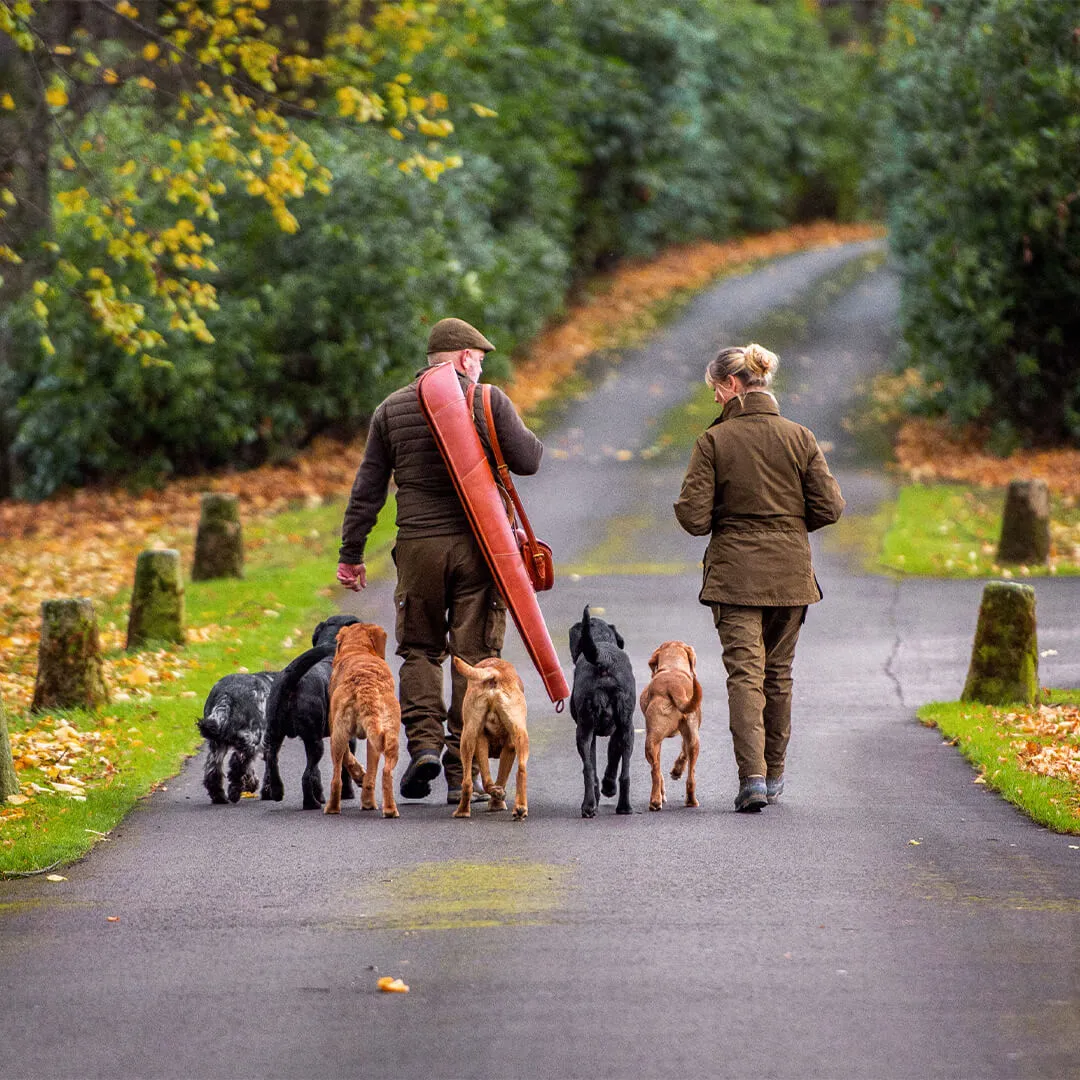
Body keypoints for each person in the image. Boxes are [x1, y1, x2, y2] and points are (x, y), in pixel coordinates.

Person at [337, 318, 543, 804]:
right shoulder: (487, 401)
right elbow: (530, 458)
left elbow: (368, 488)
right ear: (467, 359)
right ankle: (458, 769)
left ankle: (423, 746)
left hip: (418, 549)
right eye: (480, 359)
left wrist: (351, 553)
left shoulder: (392, 408)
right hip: (480, 548)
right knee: (471, 658)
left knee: (420, 650)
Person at [673, 343, 844, 812]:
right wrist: (787, 526)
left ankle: (752, 778)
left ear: (731, 386)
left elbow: (692, 518)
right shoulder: (801, 437)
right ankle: (775, 775)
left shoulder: (714, 442)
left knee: (745, 676)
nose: (713, 399)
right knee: (778, 675)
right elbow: (830, 507)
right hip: (791, 575)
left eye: (714, 389)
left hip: (735, 576)